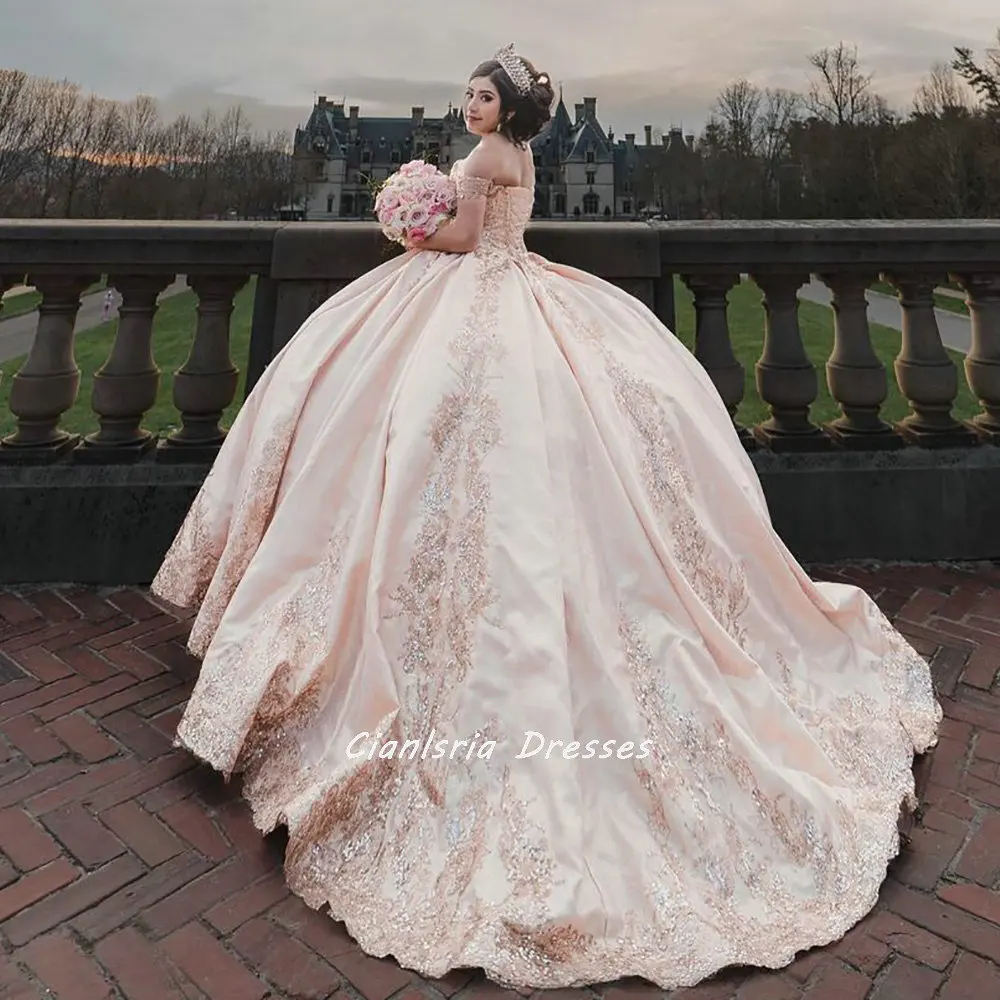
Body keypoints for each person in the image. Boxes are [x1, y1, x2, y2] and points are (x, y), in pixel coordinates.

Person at [151, 43, 941, 992]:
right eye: (470, 94)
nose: (470, 105)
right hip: (516, 289)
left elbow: (458, 244)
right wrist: (424, 197)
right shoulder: (515, 156)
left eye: (484, 96)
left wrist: (402, 218)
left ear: (509, 113)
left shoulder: (486, 162)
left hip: (467, 290)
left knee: (407, 434)